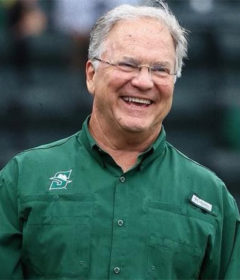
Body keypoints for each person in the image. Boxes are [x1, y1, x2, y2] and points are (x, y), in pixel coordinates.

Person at [0, 2, 239, 279]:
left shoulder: (211, 196)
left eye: (161, 70)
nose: (144, 82)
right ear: (91, 75)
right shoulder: (23, 178)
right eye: (128, 64)